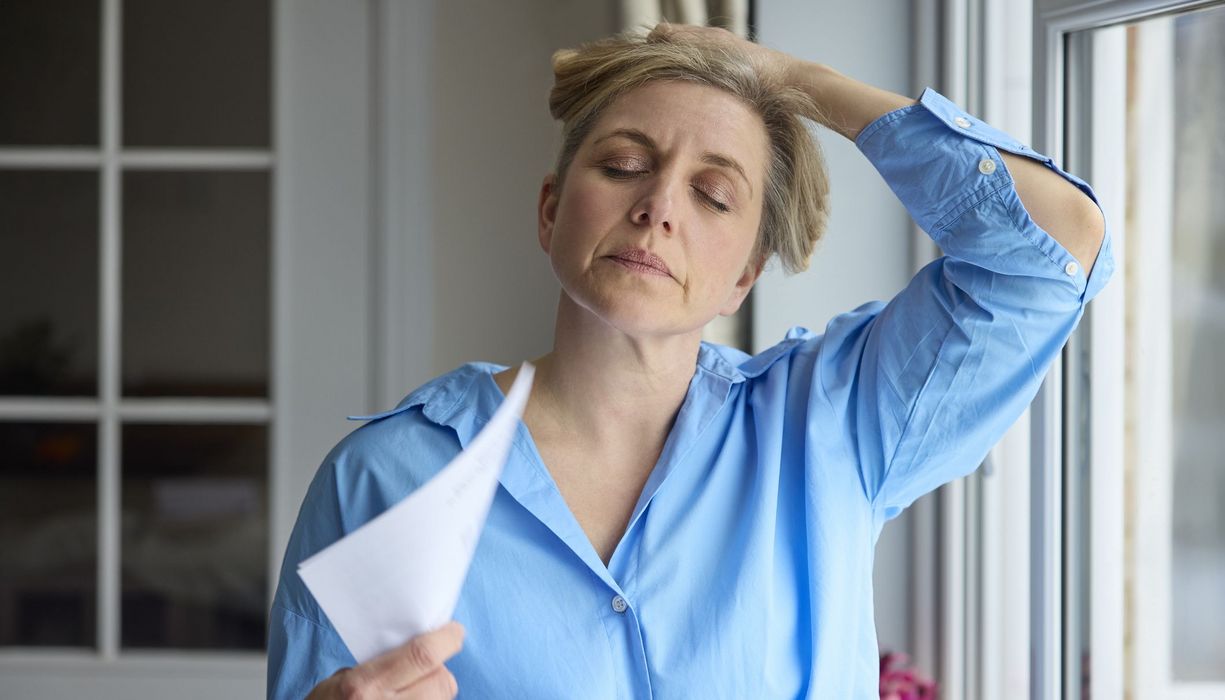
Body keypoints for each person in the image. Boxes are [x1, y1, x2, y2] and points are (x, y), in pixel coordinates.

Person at [268, 23, 1111, 699]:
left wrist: (795, 80)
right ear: (551, 211)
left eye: (714, 195)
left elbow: (1052, 251)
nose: (657, 207)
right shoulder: (381, 480)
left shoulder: (833, 425)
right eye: (625, 165)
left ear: (744, 275)